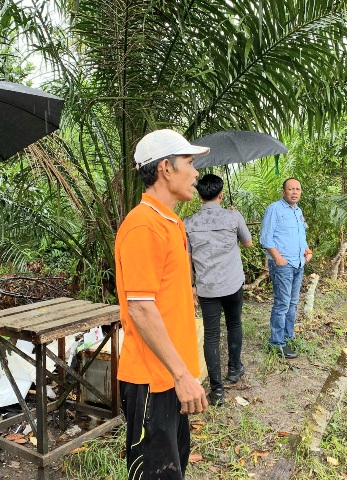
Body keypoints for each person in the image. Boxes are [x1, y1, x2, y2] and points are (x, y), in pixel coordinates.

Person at [114, 129, 210, 480]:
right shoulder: (144, 225)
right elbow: (140, 308)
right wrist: (182, 374)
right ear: (166, 169)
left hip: (170, 376)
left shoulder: (170, 223)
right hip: (152, 380)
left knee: (173, 468)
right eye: (189, 162)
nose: (196, 172)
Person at [185, 174, 253, 406]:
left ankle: (217, 391)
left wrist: (191, 285)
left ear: (200, 195)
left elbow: (188, 259)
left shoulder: (188, 223)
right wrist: (235, 215)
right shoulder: (233, 217)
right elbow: (248, 242)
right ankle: (234, 370)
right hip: (233, 283)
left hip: (207, 287)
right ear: (221, 194)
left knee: (212, 335)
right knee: (234, 323)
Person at [260, 178, 312, 359]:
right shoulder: (274, 209)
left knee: (293, 302)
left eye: (297, 189)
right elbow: (265, 238)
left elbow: (301, 236)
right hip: (283, 265)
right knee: (282, 304)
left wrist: (307, 251)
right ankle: (276, 343)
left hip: (298, 263)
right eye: (291, 189)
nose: (294, 192)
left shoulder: (298, 211)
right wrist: (278, 259)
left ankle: (288, 336)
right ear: (283, 191)